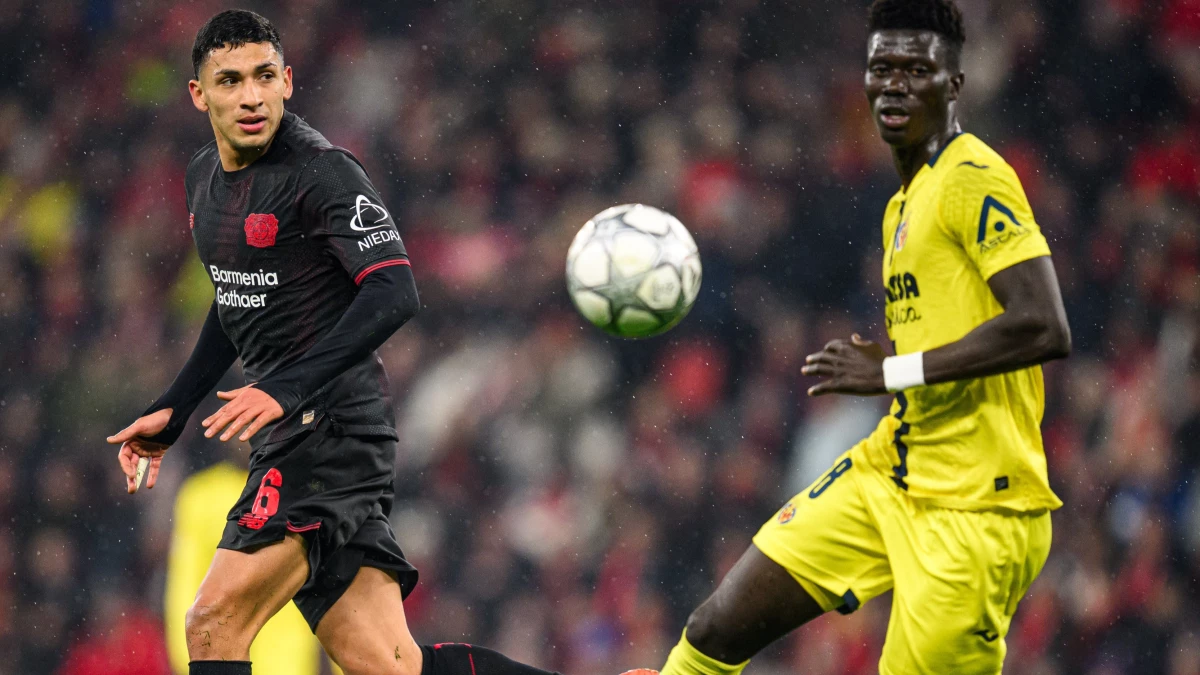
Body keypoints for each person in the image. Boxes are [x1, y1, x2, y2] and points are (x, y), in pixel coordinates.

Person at [107, 10, 561, 675]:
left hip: (331, 431)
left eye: (264, 76)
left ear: (288, 81)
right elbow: (236, 298)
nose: (251, 95)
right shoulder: (202, 179)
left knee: (213, 621)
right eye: (230, 80)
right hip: (295, 434)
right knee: (389, 663)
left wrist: (283, 386)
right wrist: (174, 408)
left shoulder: (323, 172)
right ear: (198, 94)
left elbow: (395, 290)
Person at [630, 0, 1072, 673]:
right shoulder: (902, 200)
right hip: (893, 468)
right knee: (714, 628)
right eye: (881, 67)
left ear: (953, 82)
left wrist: (893, 371)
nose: (893, 84)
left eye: (915, 69)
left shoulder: (973, 179)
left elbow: (1045, 323)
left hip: (976, 508)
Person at [165, 445, 335, 675]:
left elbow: (331, 587)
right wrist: (189, 660)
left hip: (288, 661)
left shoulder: (306, 492)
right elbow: (184, 585)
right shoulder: (200, 496)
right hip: (223, 657)